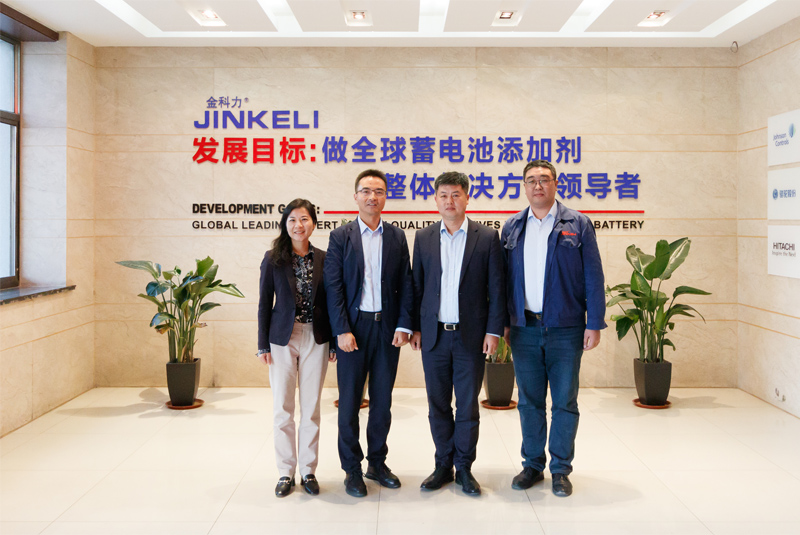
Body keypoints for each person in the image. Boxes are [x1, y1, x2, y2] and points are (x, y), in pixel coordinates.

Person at [501, 159, 605, 497]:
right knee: (529, 402)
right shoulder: (512, 227)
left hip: (566, 328)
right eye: (531, 180)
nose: (538, 185)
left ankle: (560, 469)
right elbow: (504, 281)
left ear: (556, 184)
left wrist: (594, 322)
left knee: (564, 402)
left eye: (544, 179)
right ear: (524, 186)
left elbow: (593, 276)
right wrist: (504, 323)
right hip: (524, 328)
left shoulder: (578, 223)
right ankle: (532, 464)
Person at [410, 171, 505, 496]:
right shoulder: (423, 237)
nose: (449, 201)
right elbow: (417, 287)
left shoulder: (486, 237)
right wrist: (416, 327)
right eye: (443, 195)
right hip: (434, 337)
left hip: (471, 337)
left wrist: (493, 331)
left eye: (455, 195)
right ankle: (443, 465)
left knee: (466, 406)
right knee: (437, 404)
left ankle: (464, 468)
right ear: (435, 199)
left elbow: (496, 288)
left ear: (466, 197)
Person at [324, 169, 414, 498]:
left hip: (387, 329)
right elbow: (333, 288)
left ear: (386, 197)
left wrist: (403, 324)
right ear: (356, 196)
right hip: (354, 329)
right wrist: (342, 330)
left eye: (378, 191)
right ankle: (352, 469)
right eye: (365, 191)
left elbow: (406, 283)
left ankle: (377, 463)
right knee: (349, 402)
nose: (372, 196)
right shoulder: (340, 236)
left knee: (382, 401)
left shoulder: (396, 236)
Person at [257, 198, 336, 498]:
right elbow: (264, 303)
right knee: (283, 407)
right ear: (285, 224)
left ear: (313, 223)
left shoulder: (325, 258)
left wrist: (334, 342)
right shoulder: (273, 258)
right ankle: (285, 472)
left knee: (311, 407)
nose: (298, 225)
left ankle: (308, 471)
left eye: (304, 219)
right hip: (282, 338)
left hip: (317, 336)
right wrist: (262, 344)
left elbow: (332, 302)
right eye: (292, 220)